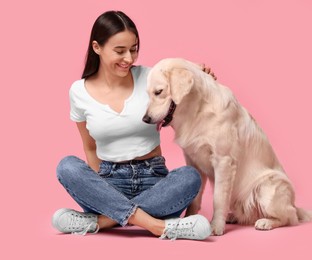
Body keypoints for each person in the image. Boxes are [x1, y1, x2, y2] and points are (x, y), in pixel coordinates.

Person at [52, 10, 215, 240]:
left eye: (134, 49)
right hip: (109, 182)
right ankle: (160, 227)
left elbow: (179, 79)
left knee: (190, 176)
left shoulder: (151, 78)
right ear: (97, 47)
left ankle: (103, 221)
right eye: (120, 51)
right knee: (66, 166)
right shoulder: (78, 91)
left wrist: (200, 74)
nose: (129, 58)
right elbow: (89, 148)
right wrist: (101, 192)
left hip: (154, 180)